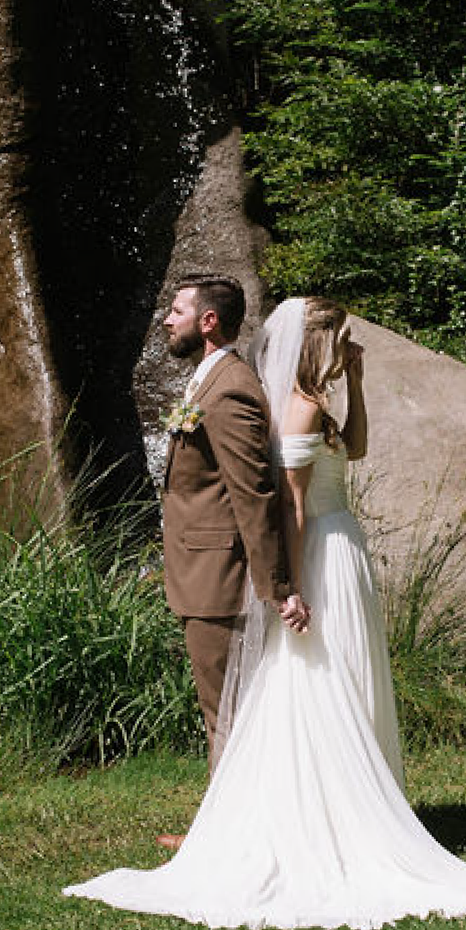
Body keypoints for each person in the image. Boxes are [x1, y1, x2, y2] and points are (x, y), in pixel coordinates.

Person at [67, 296, 466, 930]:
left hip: (337, 550)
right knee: (311, 683)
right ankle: (290, 817)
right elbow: (288, 506)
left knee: (337, 679)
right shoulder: (293, 405)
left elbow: (350, 451)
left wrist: (353, 378)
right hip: (319, 553)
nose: (346, 347)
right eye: (340, 341)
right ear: (316, 342)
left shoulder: (314, 402)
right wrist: (288, 585)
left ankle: (330, 812)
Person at [151, 278, 310, 800]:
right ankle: (225, 829)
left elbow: (253, 495)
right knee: (220, 708)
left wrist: (277, 585)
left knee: (227, 711)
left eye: (177, 312)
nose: (167, 320)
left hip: (219, 575)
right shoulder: (207, 380)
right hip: (200, 570)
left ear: (208, 321)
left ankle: (226, 838)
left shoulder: (232, 388)